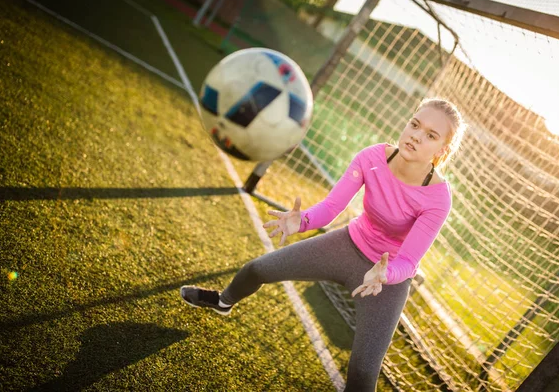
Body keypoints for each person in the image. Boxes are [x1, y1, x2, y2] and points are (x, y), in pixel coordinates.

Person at [181, 98, 467, 391]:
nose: (416, 136)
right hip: (346, 245)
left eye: (431, 135)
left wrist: (385, 275)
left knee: (364, 372)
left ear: (441, 150)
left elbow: (407, 262)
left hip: (384, 279)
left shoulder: (438, 198)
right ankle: (223, 301)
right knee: (257, 269)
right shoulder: (372, 157)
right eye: (415, 124)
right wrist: (301, 221)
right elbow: (332, 207)